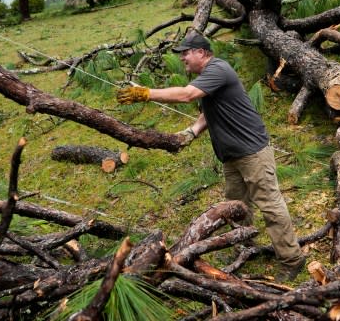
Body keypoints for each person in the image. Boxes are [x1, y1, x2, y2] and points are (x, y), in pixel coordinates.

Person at [117, 32, 306, 280]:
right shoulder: (207, 77)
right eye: (181, 53)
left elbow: (187, 95)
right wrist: (192, 132)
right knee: (236, 206)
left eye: (186, 52)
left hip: (252, 153)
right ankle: (245, 244)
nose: (183, 57)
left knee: (270, 205)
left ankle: (292, 260)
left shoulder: (219, 69)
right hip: (231, 156)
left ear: (203, 53)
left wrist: (146, 93)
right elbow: (208, 113)